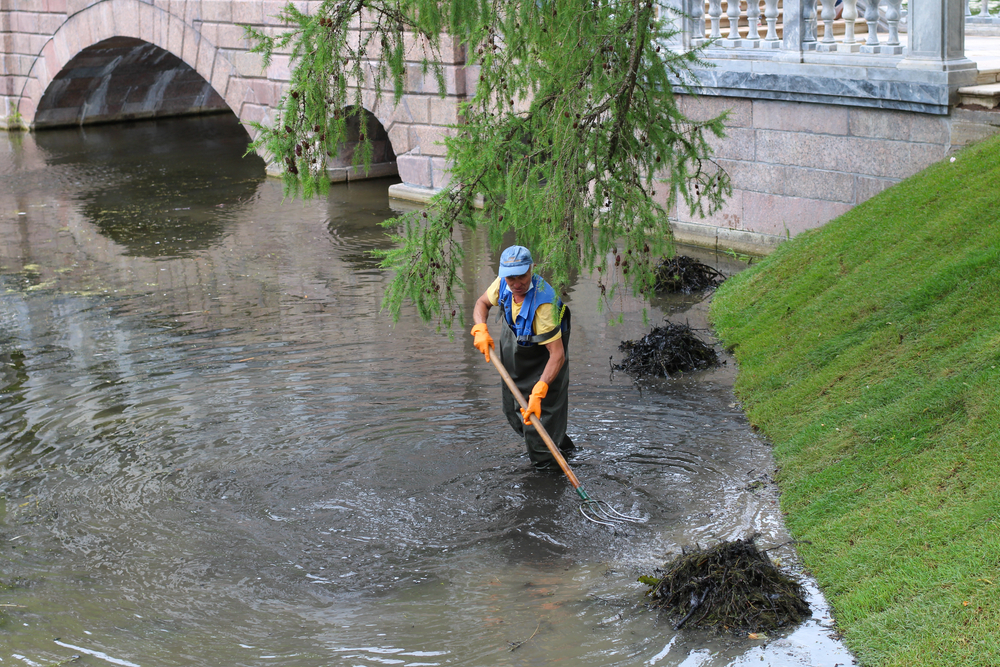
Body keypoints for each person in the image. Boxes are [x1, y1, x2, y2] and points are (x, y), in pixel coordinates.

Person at [470, 245, 574, 471]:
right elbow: (481, 304)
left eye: (522, 276)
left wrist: (540, 390)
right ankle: (565, 449)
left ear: (532, 269)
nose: (517, 284)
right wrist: (480, 327)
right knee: (514, 414)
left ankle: (548, 480)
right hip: (515, 365)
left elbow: (557, 355)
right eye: (511, 278)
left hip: (545, 365)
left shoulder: (544, 306)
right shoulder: (502, 284)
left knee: (539, 434)